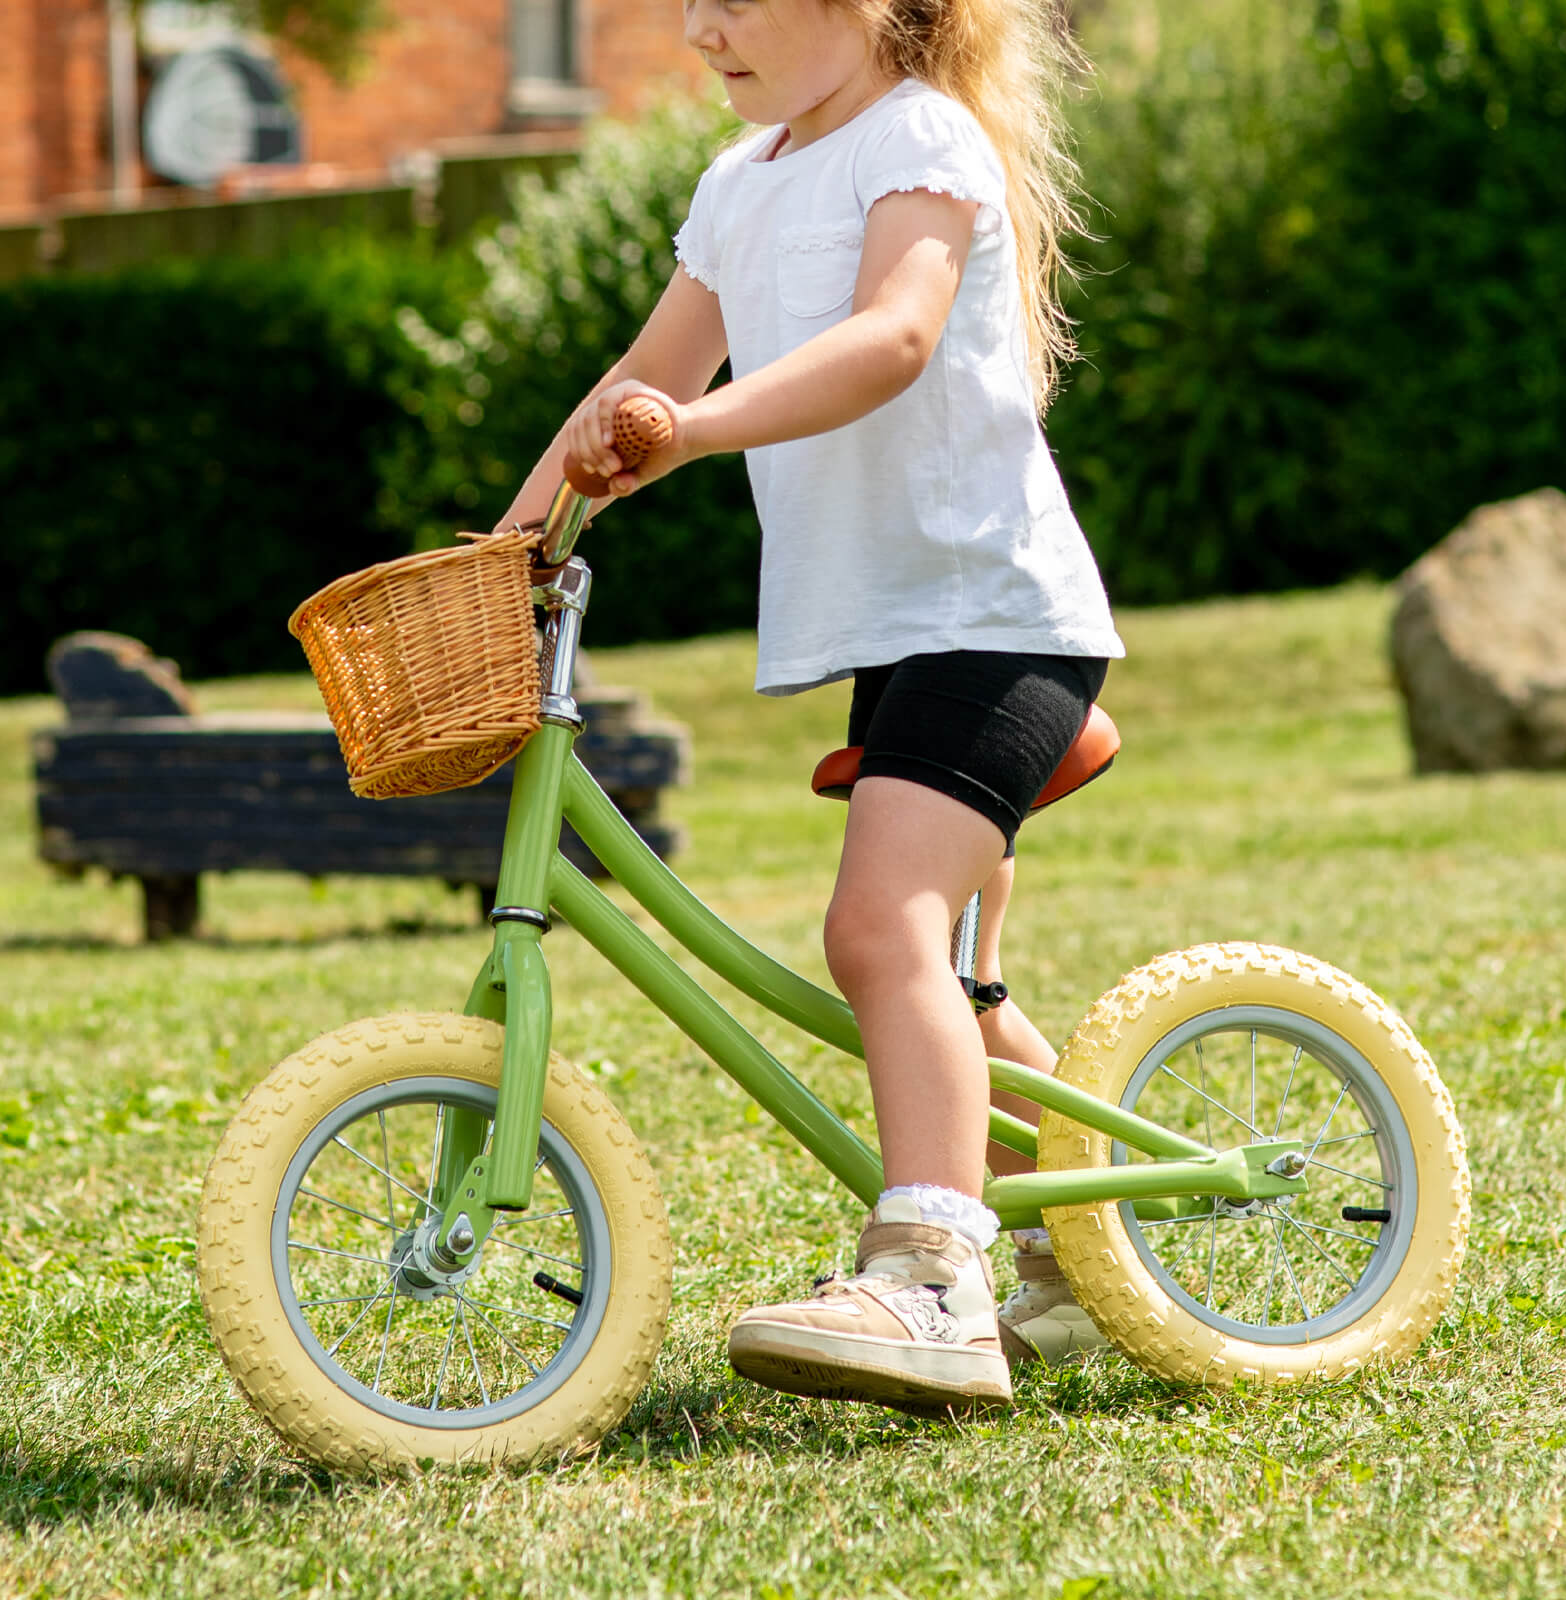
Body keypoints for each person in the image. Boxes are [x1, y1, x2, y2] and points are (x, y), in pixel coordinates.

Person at [495, 0, 1124, 1415]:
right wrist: (507, 553)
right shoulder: (742, 182)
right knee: (951, 986)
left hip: (998, 619)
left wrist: (693, 432)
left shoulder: (919, 137)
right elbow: (640, 381)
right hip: (900, 637)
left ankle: (931, 1278)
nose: (697, 28)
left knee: (876, 928)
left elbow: (893, 337)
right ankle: (1080, 1244)